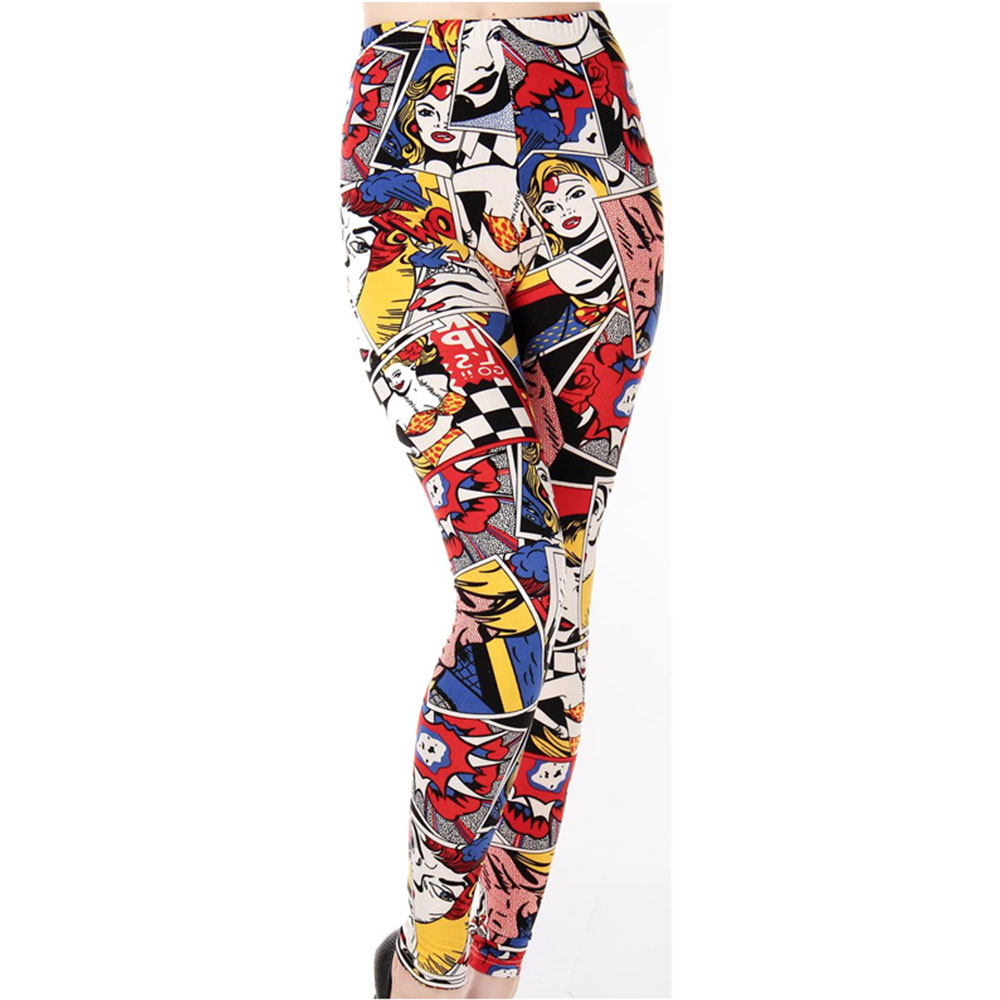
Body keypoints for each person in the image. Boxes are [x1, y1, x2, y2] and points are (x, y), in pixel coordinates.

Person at [339, 3, 664, 996]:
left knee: (562, 603)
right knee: (514, 597)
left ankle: (496, 977)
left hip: (587, 130)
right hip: (413, 152)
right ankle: (426, 972)